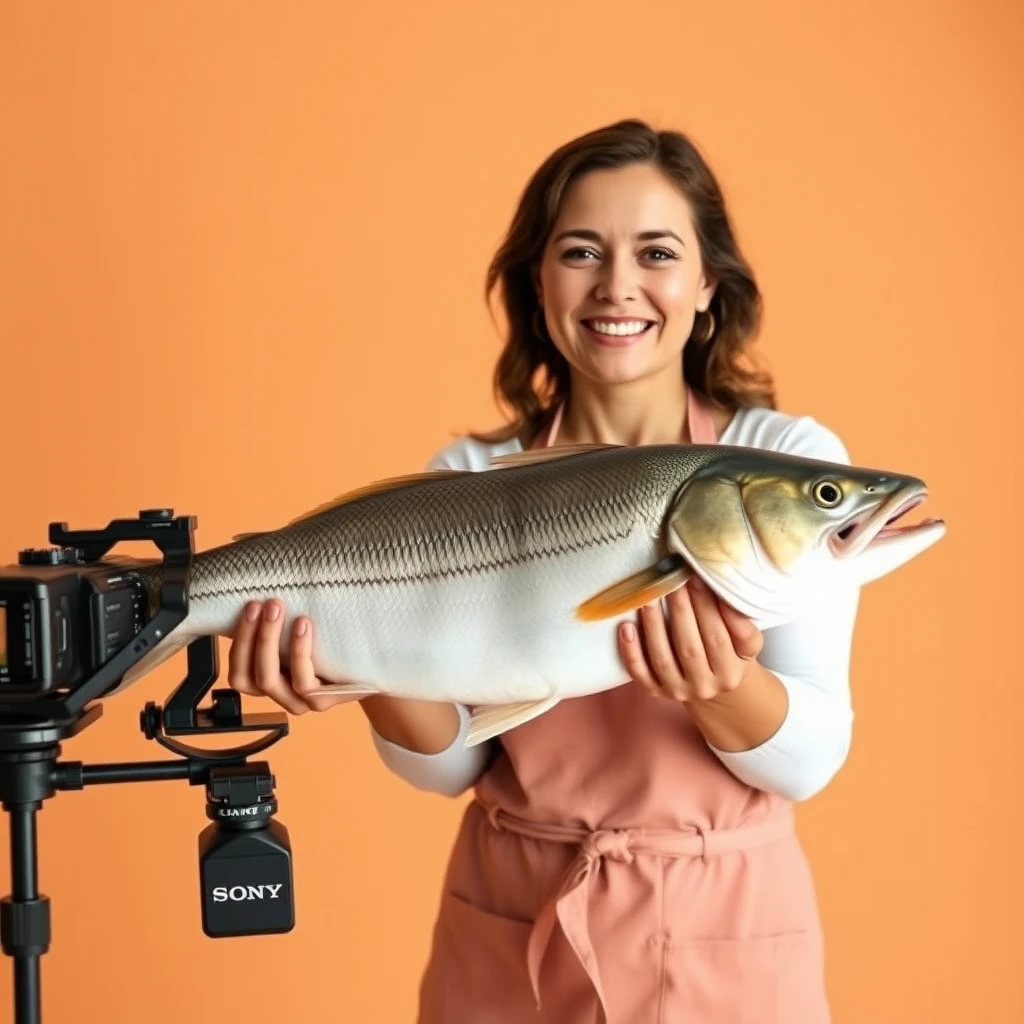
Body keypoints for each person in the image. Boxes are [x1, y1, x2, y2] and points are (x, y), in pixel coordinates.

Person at [225, 119, 859, 1023]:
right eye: (581, 251)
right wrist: (357, 671)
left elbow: (810, 757)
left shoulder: (781, 465)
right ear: (539, 281)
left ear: (706, 283)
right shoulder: (464, 482)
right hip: (511, 924)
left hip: (726, 930)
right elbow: (452, 768)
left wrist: (719, 687)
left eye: (657, 252)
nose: (618, 286)